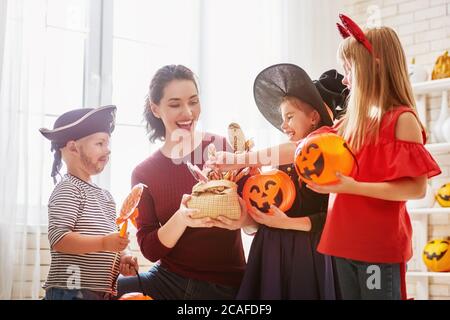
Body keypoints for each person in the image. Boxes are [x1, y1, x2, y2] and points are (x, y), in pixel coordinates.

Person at [307, 14, 442, 300]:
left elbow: (416, 188)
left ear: (373, 66)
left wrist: (351, 187)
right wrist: (246, 157)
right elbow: (310, 145)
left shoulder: (402, 120)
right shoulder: (352, 122)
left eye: (349, 69)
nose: (344, 78)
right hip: (341, 243)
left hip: (376, 247)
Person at [208, 64, 347, 299]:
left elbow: (330, 218)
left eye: (290, 117)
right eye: (283, 119)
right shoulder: (284, 159)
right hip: (271, 248)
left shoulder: (328, 148)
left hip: (306, 253)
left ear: (314, 117)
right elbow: (269, 205)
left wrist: (238, 159)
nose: (283, 126)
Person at [117, 65, 251, 300]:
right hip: (167, 279)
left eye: (193, 101)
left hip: (224, 287)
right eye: (175, 104)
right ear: (155, 108)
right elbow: (150, 248)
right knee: (97, 289)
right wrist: (182, 218)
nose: (188, 113)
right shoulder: (144, 173)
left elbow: (257, 218)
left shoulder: (225, 149)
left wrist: (244, 219)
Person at [39, 105, 138, 300]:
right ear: (73, 147)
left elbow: (112, 238)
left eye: (108, 144)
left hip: (102, 293)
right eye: (100, 143)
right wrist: (103, 243)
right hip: (71, 290)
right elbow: (60, 240)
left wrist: (124, 255)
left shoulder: (106, 197)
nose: (107, 150)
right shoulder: (68, 189)